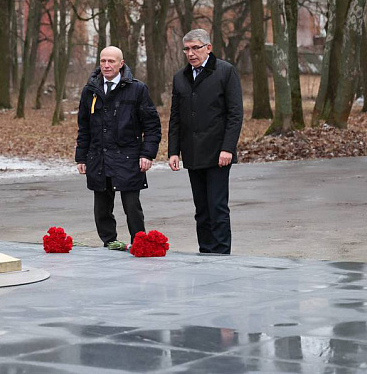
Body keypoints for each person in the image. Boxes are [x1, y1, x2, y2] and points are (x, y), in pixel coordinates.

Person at [76, 46, 161, 250]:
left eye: (111, 61)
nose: (106, 65)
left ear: (121, 64)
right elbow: (84, 126)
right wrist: (81, 157)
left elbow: (151, 125)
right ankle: (110, 242)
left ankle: (140, 243)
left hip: (128, 157)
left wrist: (147, 154)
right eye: (103, 61)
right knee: (102, 207)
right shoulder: (90, 90)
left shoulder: (137, 89)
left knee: (132, 206)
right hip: (99, 157)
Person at [168, 29, 243, 254]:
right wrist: (174, 151)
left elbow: (235, 114)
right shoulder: (180, 77)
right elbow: (175, 117)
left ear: (208, 48)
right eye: (187, 49)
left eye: (196, 48)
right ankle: (205, 252)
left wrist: (228, 148)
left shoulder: (225, 71)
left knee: (217, 206)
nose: (191, 53)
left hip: (218, 152)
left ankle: (221, 253)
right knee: (201, 209)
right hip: (192, 152)